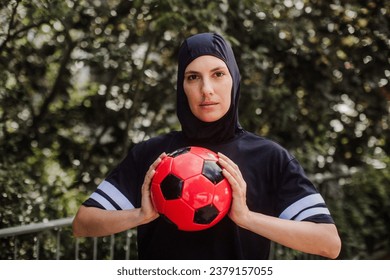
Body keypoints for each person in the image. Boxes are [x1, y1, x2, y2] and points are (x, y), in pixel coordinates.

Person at [72, 32, 341, 259]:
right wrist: (140, 215)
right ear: (182, 86)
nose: (207, 89)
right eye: (193, 77)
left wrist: (246, 217)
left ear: (234, 79)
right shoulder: (152, 155)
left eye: (218, 74)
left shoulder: (270, 157)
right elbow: (83, 223)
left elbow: (328, 243)